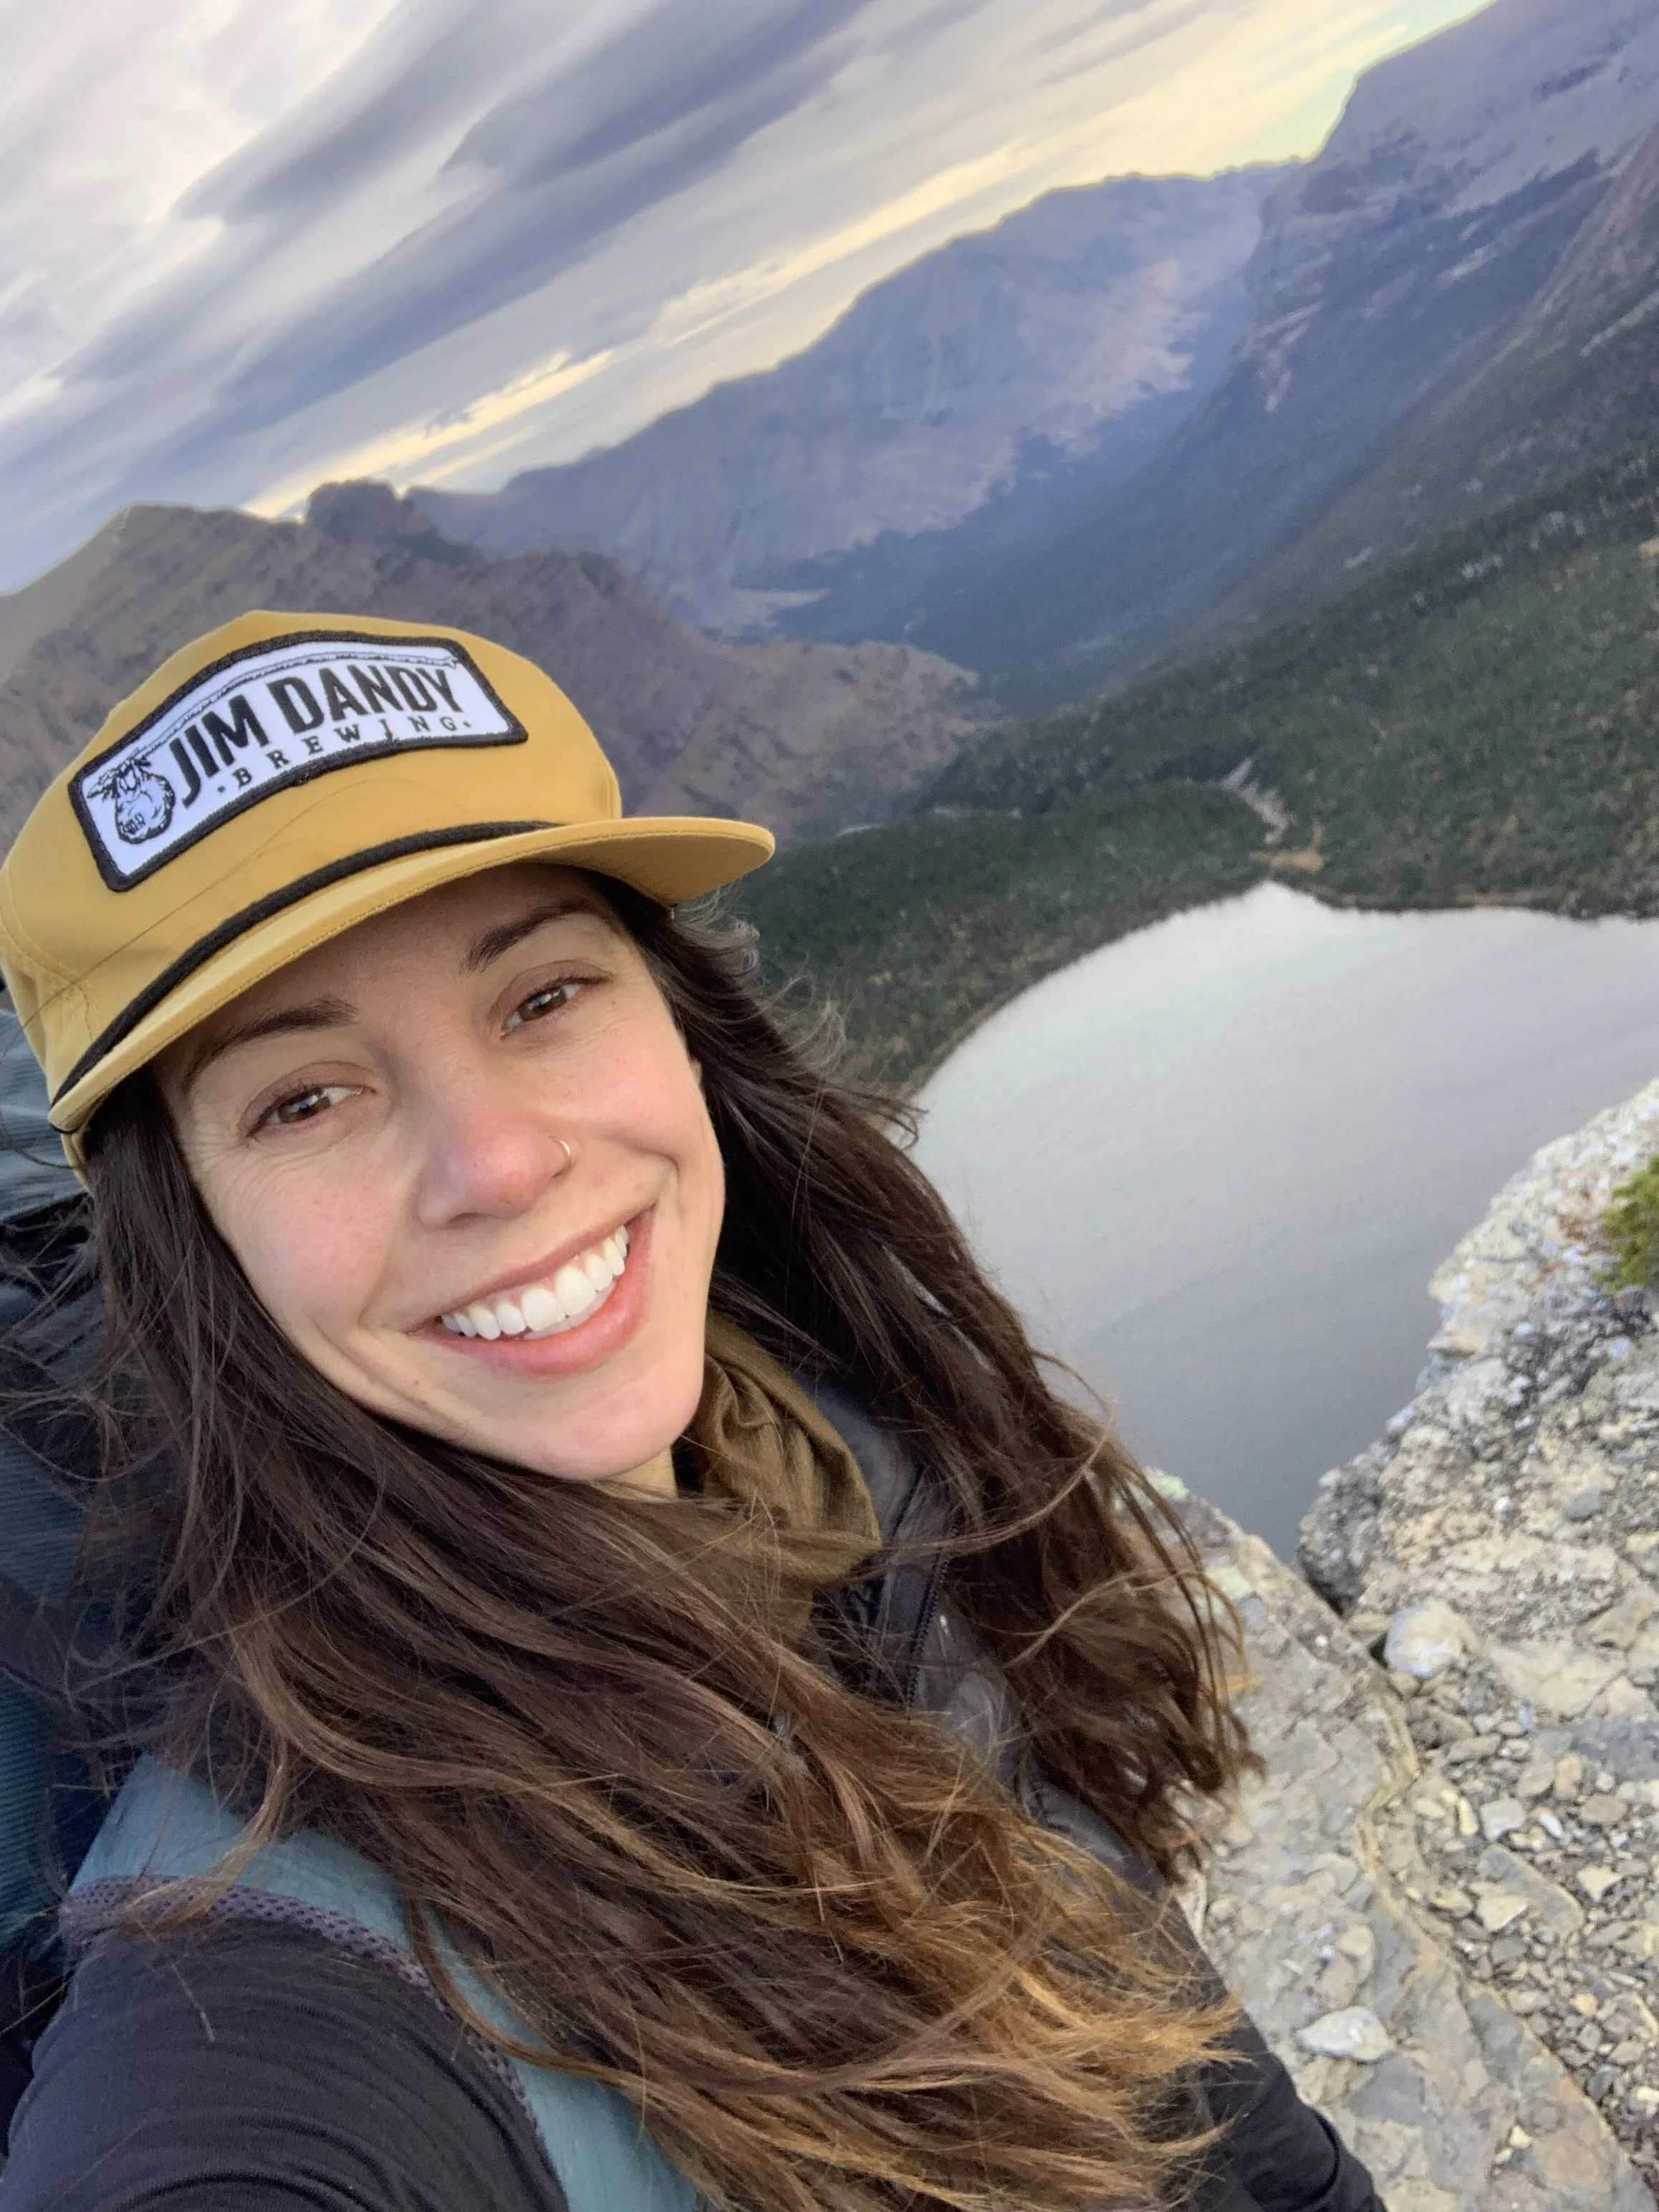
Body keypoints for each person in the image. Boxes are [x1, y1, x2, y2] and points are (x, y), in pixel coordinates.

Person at [0, 611, 1382, 2211]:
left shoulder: (833, 1442)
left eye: (541, 994)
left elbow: (1182, 2062)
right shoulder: (264, 1992)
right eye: (305, 1097)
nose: (502, 1164)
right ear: (201, 1247)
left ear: (681, 1023)